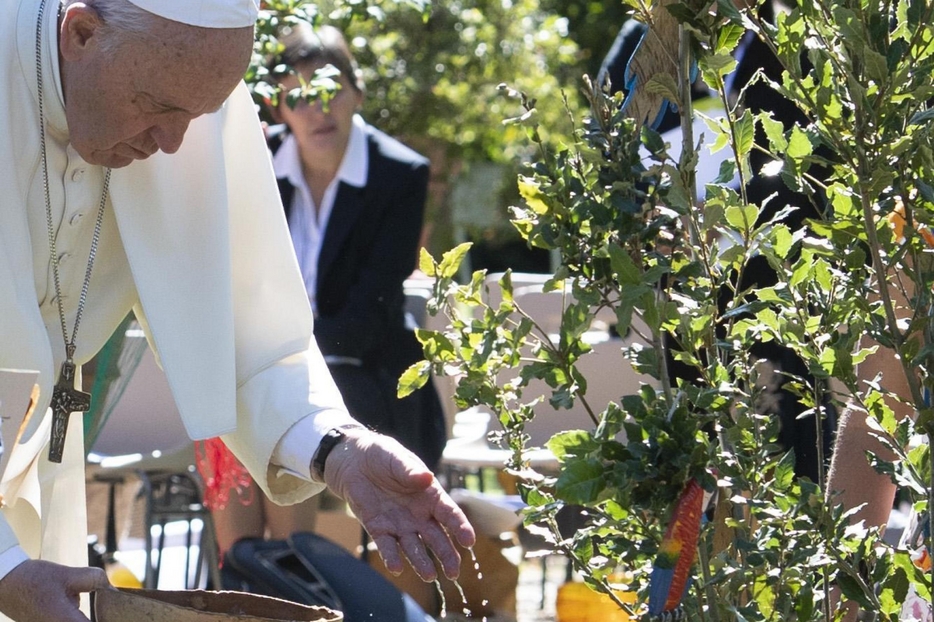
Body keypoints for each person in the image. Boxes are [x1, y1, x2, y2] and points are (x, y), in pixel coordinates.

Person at [0, 1, 474, 621]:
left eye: (198, 116)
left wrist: (343, 449)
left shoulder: (187, 93)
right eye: (160, 106)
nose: (174, 145)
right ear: (81, 33)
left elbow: (249, 332)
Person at [204, 23, 448, 558]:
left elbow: (373, 303)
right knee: (236, 526)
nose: (319, 109)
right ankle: (240, 579)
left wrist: (281, 367)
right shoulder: (252, 160)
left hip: (361, 373)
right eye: (299, 97)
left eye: (331, 89)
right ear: (277, 108)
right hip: (254, 367)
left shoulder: (400, 173)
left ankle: (302, 579)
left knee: (295, 532)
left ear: (357, 94)